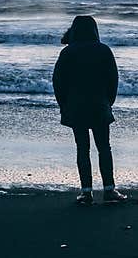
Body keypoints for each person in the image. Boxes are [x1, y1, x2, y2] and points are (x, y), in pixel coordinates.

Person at [52, 15, 128, 205]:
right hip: (99, 105)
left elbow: (58, 82)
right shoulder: (103, 50)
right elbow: (113, 79)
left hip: (76, 106)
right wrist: (108, 102)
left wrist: (64, 105)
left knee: (82, 148)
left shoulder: (67, 52)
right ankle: (109, 190)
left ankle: (86, 192)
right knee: (104, 147)